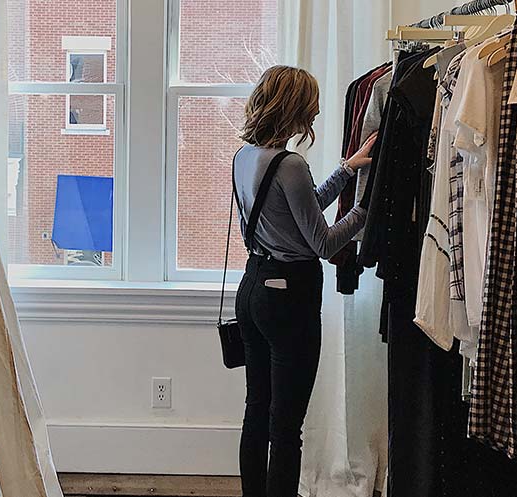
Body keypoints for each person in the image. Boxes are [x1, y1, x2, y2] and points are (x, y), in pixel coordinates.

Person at [233, 65, 375, 497]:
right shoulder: (290, 163)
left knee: (257, 410)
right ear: (293, 106)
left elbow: (302, 207)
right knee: (287, 424)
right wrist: (370, 210)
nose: (314, 113)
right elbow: (323, 242)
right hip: (289, 300)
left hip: (254, 287)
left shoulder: (245, 156)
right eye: (310, 105)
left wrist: (346, 170)